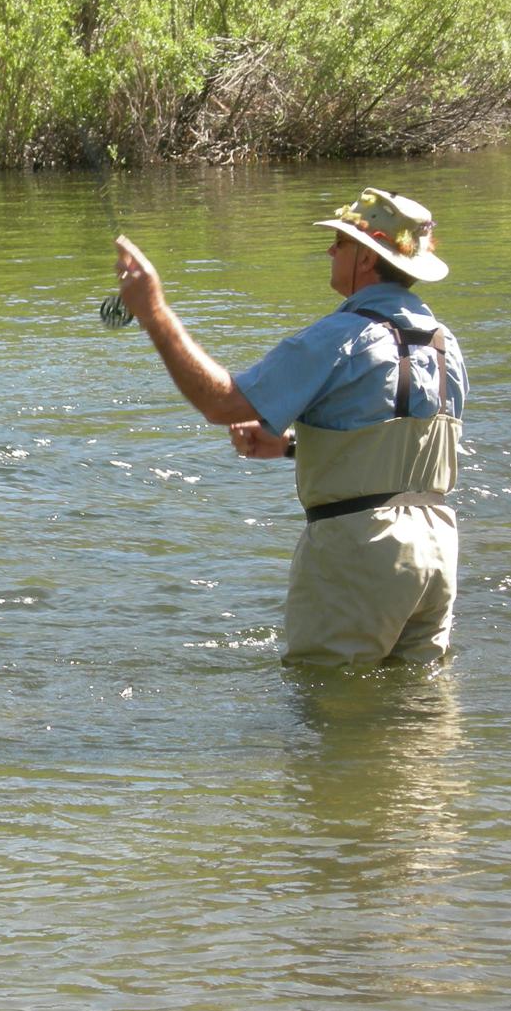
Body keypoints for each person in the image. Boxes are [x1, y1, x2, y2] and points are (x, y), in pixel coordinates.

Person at [114, 186, 468, 666]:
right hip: (438, 547)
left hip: (358, 550)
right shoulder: (445, 344)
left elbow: (220, 403)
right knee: (419, 699)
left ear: (367, 258)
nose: (330, 252)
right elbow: (409, 449)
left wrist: (154, 312)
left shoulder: (342, 336)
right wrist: (292, 447)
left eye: (340, 243)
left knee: (326, 696)